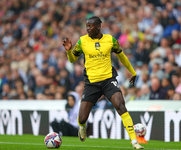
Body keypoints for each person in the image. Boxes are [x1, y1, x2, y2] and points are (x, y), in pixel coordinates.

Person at [62, 16, 144, 149]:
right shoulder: (82, 41)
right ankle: (82, 127)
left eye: (90, 26)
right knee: (82, 118)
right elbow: (72, 60)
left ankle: (135, 141)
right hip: (91, 83)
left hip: (108, 80)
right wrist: (69, 51)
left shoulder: (110, 40)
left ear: (98, 26)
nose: (87, 28)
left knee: (121, 105)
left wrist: (133, 72)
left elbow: (121, 56)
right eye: (87, 26)